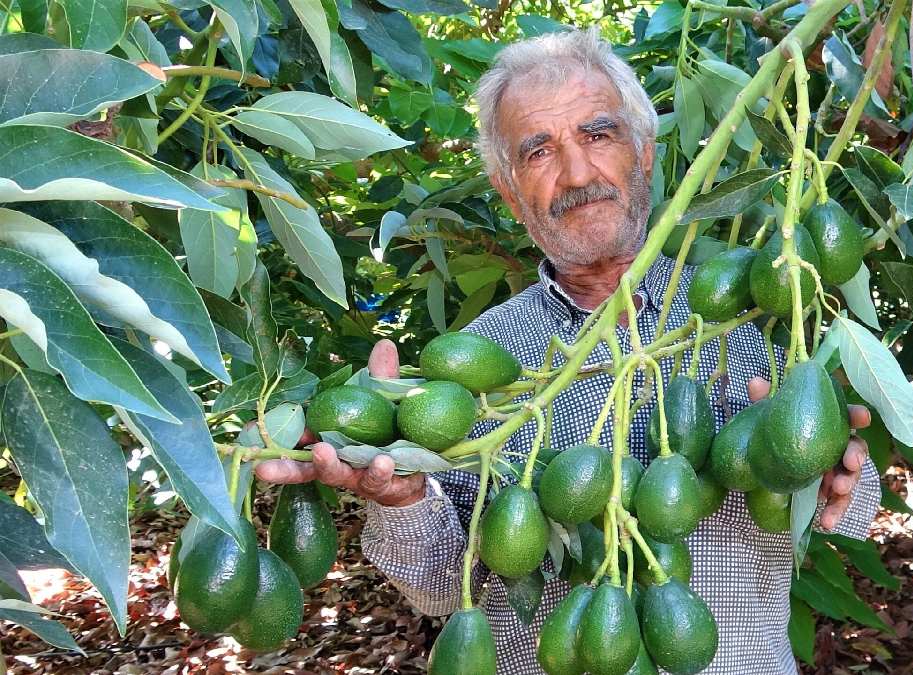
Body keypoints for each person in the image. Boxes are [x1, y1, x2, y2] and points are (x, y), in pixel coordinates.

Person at [256, 27, 881, 674]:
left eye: (598, 134)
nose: (578, 173)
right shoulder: (483, 355)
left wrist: (838, 478)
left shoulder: (759, 316)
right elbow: (443, 588)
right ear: (508, 190)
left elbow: (841, 502)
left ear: (644, 151)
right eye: (539, 151)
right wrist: (404, 497)